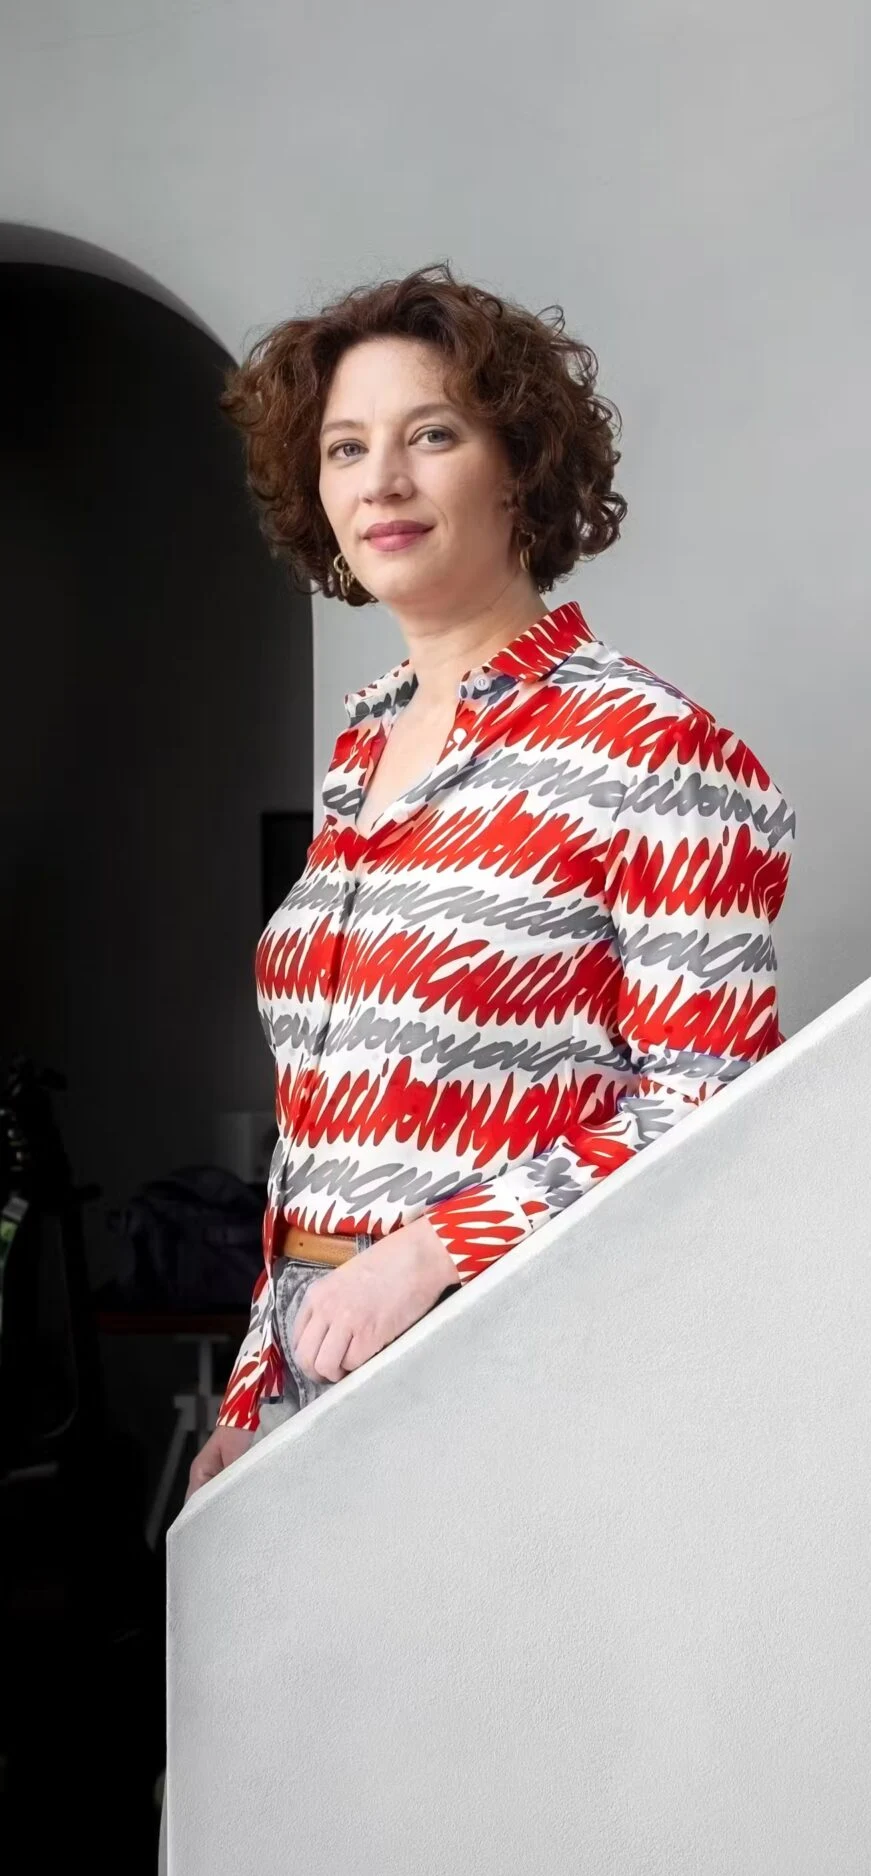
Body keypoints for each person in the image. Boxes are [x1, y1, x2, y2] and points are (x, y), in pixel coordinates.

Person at [184, 260, 798, 1498]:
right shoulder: (364, 748)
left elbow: (713, 1102)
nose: (381, 481)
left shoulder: (649, 747)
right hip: (309, 1363)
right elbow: (321, 1130)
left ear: (517, 464)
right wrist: (254, 1391)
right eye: (345, 448)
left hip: (512, 1361)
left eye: (431, 434)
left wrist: (429, 1254)